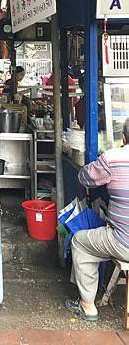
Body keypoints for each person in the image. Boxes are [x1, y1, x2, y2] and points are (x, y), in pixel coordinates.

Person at [65, 118, 129, 321]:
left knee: (80, 242)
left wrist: (101, 163)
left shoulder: (114, 158)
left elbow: (84, 177)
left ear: (124, 137)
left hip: (123, 243)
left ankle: (87, 305)